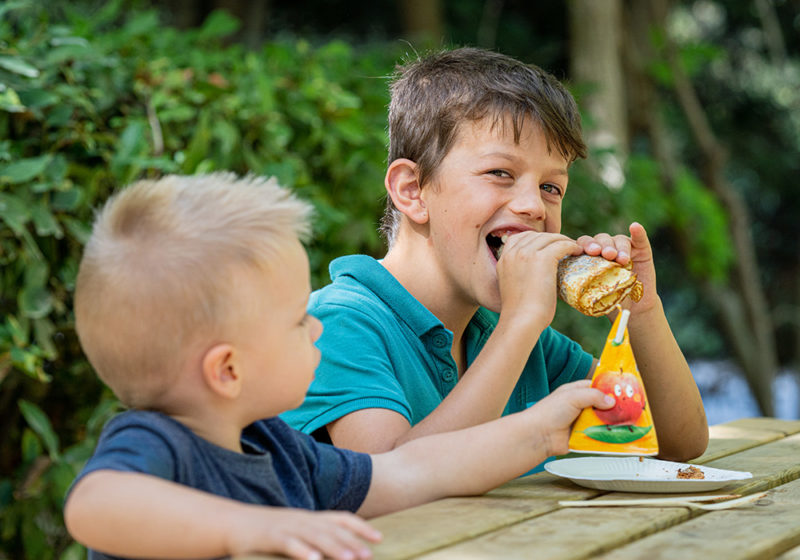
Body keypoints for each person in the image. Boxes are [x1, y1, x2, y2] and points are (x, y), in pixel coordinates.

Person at [64, 173, 615, 560]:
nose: (317, 325)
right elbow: (95, 504)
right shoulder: (157, 442)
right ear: (227, 371)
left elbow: (413, 470)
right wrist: (251, 528)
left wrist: (541, 431)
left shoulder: (282, 453)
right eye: (296, 318)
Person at [281, 47, 708, 463]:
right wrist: (519, 325)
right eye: (500, 173)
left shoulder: (529, 347)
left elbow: (675, 444)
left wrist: (643, 310)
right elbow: (387, 477)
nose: (535, 207)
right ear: (412, 191)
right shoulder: (338, 324)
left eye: (551, 187)